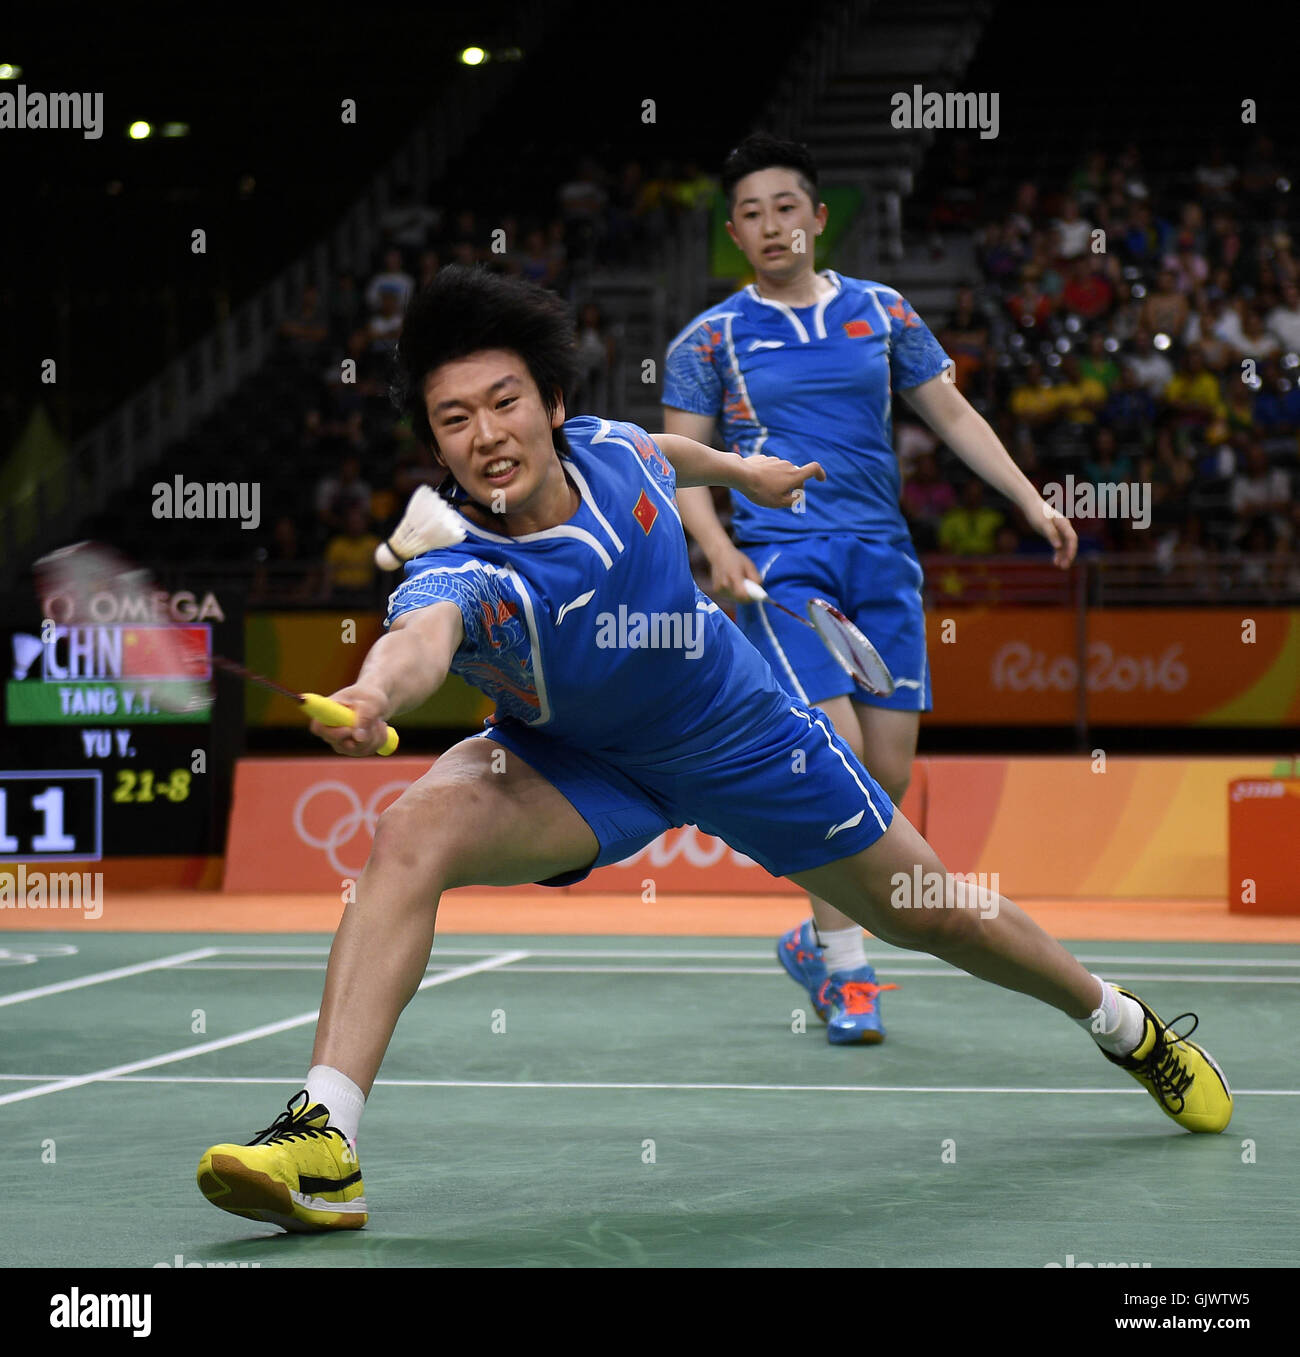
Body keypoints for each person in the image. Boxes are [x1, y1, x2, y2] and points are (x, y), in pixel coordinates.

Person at [195, 266, 1233, 1233]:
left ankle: (1124, 1026)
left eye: (504, 402)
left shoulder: (608, 447)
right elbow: (419, 639)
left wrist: (750, 472)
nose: (486, 434)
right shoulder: (460, 567)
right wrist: (374, 692)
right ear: (436, 445)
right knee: (410, 824)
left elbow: (668, 451)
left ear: (551, 405)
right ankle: (324, 1135)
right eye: (453, 419)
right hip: (574, 762)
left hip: (741, 735)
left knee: (938, 914)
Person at [662, 134, 1078, 1045]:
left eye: (786, 208)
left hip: (882, 562)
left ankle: (816, 939)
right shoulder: (707, 339)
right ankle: (850, 972)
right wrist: (717, 547)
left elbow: (954, 413)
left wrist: (1028, 499)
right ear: (735, 235)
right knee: (833, 757)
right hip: (783, 561)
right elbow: (681, 467)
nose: (772, 225)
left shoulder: (883, 311)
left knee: (885, 773)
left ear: (817, 218)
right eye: (751, 214)